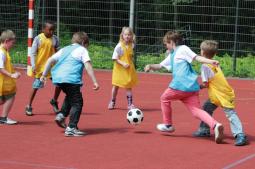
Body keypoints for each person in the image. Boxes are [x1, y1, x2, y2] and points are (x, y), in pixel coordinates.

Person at [144, 31, 224, 144]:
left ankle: (168, 125)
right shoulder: (172, 55)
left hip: (180, 85)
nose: (165, 46)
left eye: (166, 44)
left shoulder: (183, 49)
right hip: (191, 88)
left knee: (164, 98)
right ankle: (215, 125)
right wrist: (150, 66)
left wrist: (211, 61)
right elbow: (160, 65)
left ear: (171, 42)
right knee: (196, 111)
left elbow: (197, 58)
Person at [40, 32, 99, 137]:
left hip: (58, 78)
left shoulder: (64, 49)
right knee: (77, 103)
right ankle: (71, 128)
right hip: (71, 79)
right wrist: (94, 81)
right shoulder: (82, 50)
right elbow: (88, 65)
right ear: (83, 42)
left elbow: (49, 60)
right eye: (87, 45)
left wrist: (44, 75)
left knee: (70, 97)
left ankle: (61, 115)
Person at [192, 40, 247, 146]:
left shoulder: (205, 66)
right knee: (207, 107)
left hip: (222, 94)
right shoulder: (214, 62)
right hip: (217, 94)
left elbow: (206, 84)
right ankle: (204, 129)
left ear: (202, 52)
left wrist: (195, 87)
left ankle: (240, 134)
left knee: (231, 114)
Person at [25, 20, 61, 116]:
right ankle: (29, 105)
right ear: (43, 29)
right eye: (49, 30)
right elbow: (33, 53)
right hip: (41, 68)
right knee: (36, 87)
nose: (51, 32)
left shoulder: (55, 39)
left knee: (60, 84)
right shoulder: (38, 39)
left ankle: (54, 101)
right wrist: (33, 65)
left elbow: (58, 52)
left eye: (53, 30)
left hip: (53, 67)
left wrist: (60, 63)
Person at [108, 27, 138, 110]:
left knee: (128, 86)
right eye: (125, 34)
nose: (127, 36)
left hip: (128, 69)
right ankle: (112, 101)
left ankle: (130, 104)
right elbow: (114, 58)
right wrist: (123, 63)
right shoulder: (119, 46)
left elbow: (129, 56)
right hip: (119, 69)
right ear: (122, 35)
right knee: (116, 86)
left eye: (129, 34)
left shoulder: (131, 45)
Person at [0, 30, 21, 124]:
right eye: (12, 43)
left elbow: (6, 66)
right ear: (6, 41)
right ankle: (3, 118)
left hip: (5, 82)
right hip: (2, 82)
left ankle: (3, 118)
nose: (13, 45)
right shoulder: (1, 52)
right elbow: (0, 68)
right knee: (9, 96)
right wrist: (11, 75)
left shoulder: (4, 51)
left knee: (5, 98)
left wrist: (13, 72)